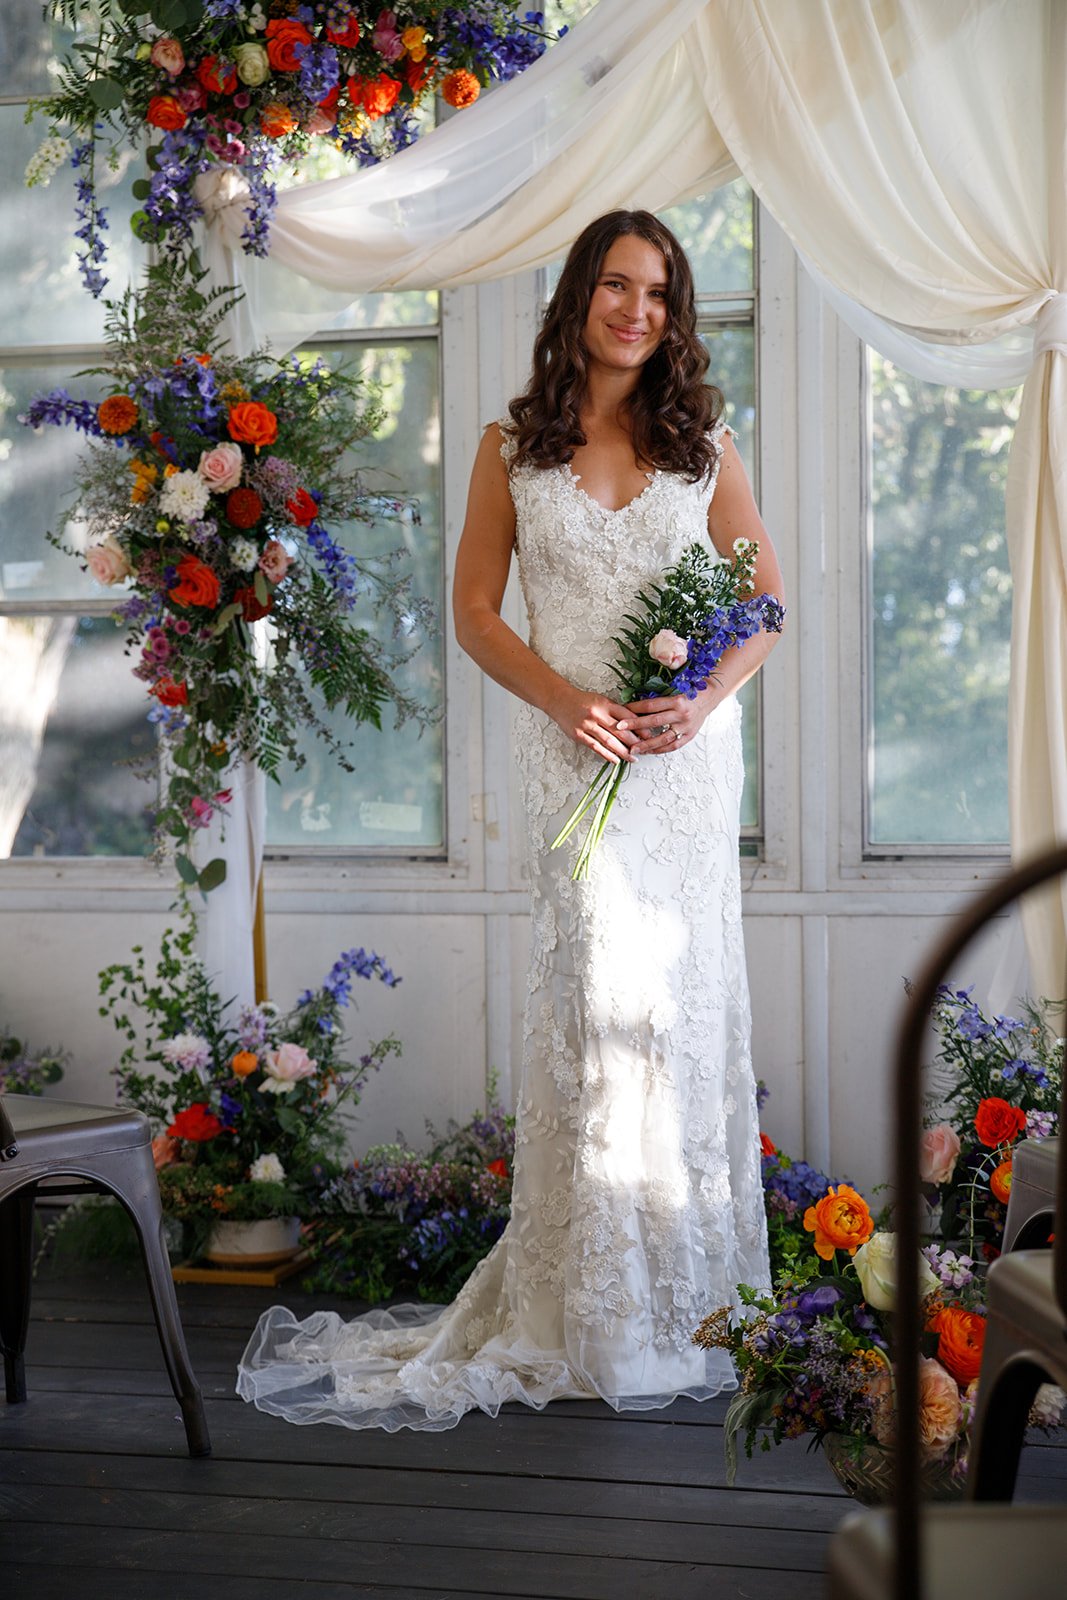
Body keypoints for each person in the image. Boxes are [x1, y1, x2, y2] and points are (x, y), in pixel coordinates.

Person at [237, 210, 783, 1432]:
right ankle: (580, 1311)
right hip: (569, 748)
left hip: (680, 763)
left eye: (656, 290)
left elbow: (764, 604)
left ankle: (683, 1305)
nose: (635, 308)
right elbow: (477, 613)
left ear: (673, 310)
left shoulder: (704, 444)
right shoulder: (509, 445)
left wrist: (694, 704)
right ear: (578, 296)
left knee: (680, 1018)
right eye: (614, 284)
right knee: (593, 1008)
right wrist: (572, 698)